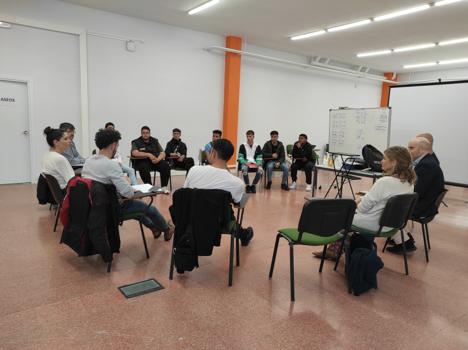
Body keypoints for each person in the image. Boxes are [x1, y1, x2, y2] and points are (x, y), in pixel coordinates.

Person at [314, 146, 416, 260]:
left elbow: (363, 208)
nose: (381, 161)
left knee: (341, 216)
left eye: (385, 158)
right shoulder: (409, 182)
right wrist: (365, 198)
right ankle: (337, 248)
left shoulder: (384, 182)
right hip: (391, 226)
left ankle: (334, 250)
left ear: (394, 162)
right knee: (349, 216)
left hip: (375, 223)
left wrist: (359, 201)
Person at [82, 128, 174, 241]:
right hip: (112, 208)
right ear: (113, 145)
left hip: (94, 206)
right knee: (149, 208)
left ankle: (154, 228)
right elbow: (128, 194)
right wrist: (128, 185)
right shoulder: (111, 165)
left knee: (138, 211)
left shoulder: (88, 161)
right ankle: (166, 229)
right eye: (117, 145)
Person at [184, 138, 253, 246]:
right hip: (218, 224)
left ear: (214, 153)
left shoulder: (193, 170)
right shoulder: (237, 183)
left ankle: (243, 234)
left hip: (190, 219)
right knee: (228, 214)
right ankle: (244, 235)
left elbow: (184, 193)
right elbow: (238, 203)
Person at [387, 137, 445, 253]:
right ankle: (403, 237)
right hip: (425, 203)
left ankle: (405, 242)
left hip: (422, 207)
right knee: (390, 203)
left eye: (411, 148)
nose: (408, 151)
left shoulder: (427, 165)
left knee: (386, 207)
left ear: (422, 150)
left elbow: (417, 191)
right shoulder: (427, 161)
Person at [131, 126, 170, 193]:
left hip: (155, 161)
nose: (145, 134)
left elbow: (163, 153)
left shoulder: (155, 140)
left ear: (149, 133)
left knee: (165, 165)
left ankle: (164, 187)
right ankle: (150, 187)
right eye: (143, 133)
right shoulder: (136, 142)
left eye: (147, 133)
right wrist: (148, 154)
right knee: (143, 166)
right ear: (141, 133)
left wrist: (158, 159)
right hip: (143, 161)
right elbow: (134, 152)